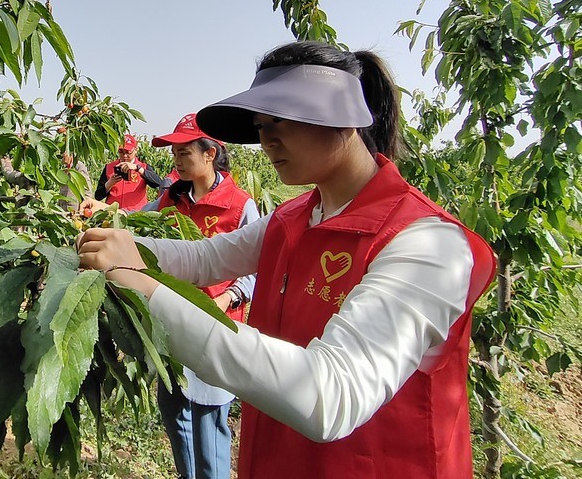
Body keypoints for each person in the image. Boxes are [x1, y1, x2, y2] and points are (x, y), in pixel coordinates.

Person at [77, 41, 497, 479]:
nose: (266, 140)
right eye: (261, 125)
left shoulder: (426, 244)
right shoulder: (294, 216)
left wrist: (143, 286)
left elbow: (331, 395)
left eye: (281, 121)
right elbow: (207, 258)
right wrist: (121, 246)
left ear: (345, 117)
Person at [85, 113, 258, 479]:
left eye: (184, 151)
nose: (176, 160)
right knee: (174, 405)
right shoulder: (170, 198)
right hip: (171, 319)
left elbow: (255, 267)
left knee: (208, 419)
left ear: (210, 154)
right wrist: (104, 209)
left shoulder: (240, 205)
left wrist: (228, 299)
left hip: (216, 324)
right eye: (175, 152)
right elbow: (136, 218)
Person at [94, 134, 168, 212]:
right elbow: (98, 196)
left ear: (136, 150)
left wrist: (138, 168)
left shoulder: (143, 167)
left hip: (136, 215)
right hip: (113, 214)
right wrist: (110, 183)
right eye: (121, 152)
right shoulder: (109, 167)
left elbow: (158, 183)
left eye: (128, 152)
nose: (125, 155)